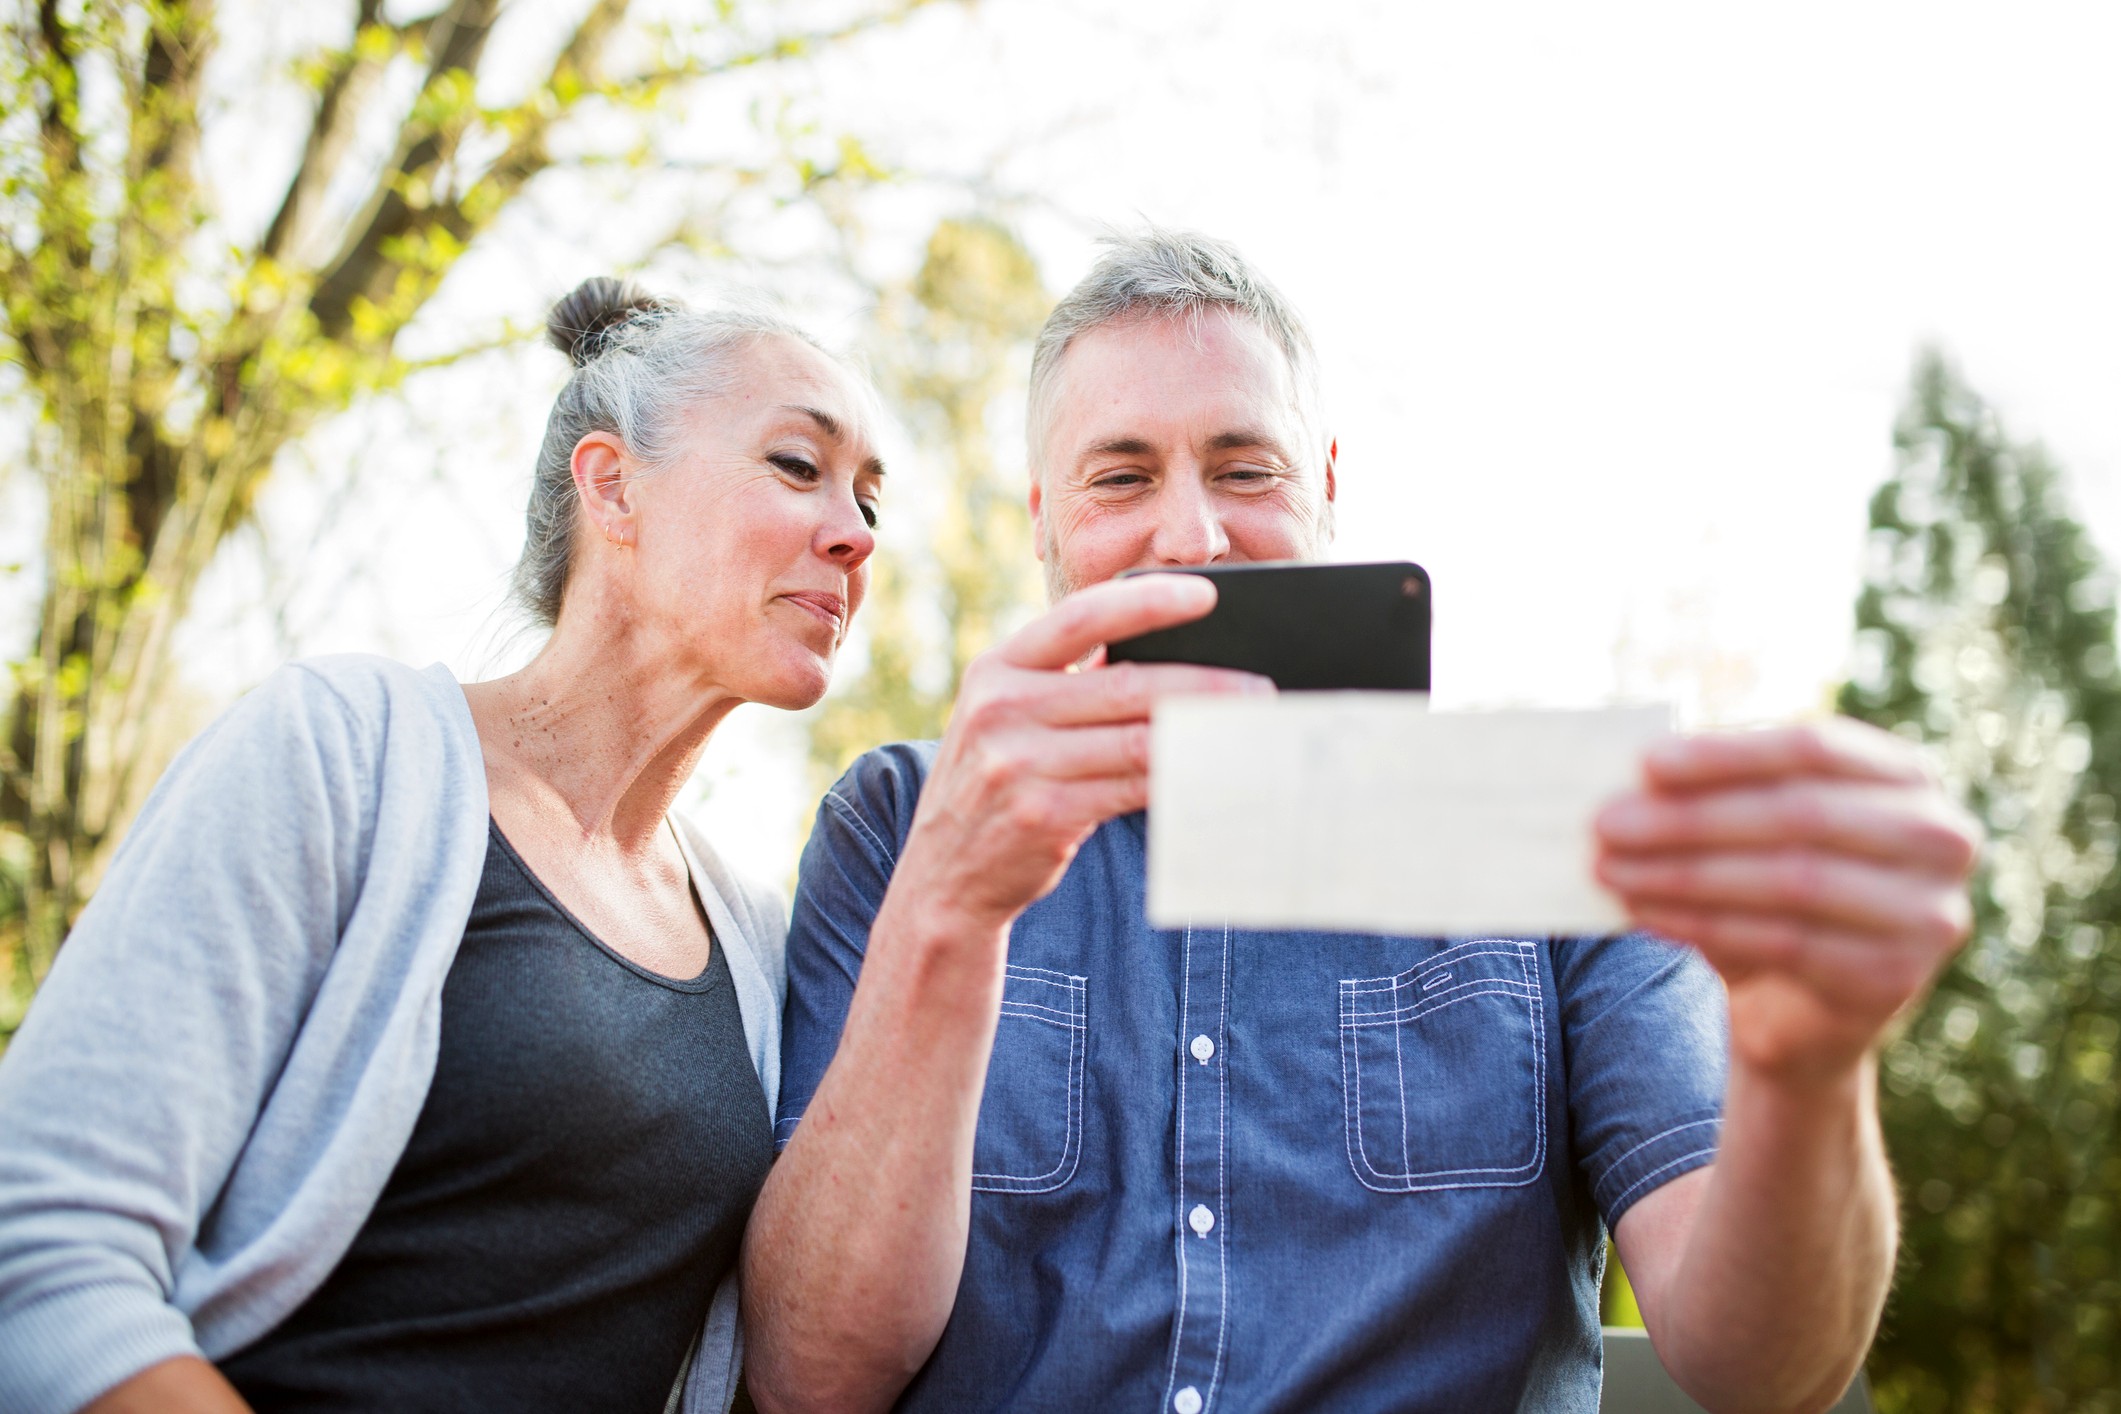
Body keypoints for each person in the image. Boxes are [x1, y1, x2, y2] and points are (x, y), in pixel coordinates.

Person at [743, 229, 1983, 1413]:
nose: (1193, 534)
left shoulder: (1561, 819)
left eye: (1246, 467)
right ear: (1044, 525)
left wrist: (1807, 1068)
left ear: (1326, 490)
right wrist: (952, 907)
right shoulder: (899, 822)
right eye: (1122, 476)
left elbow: (1766, 1372)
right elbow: (811, 1382)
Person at [0, 277, 884, 1414]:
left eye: (870, 499)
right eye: (799, 467)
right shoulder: (340, 755)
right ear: (614, 486)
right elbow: (44, 1244)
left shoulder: (760, 935)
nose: (854, 535)